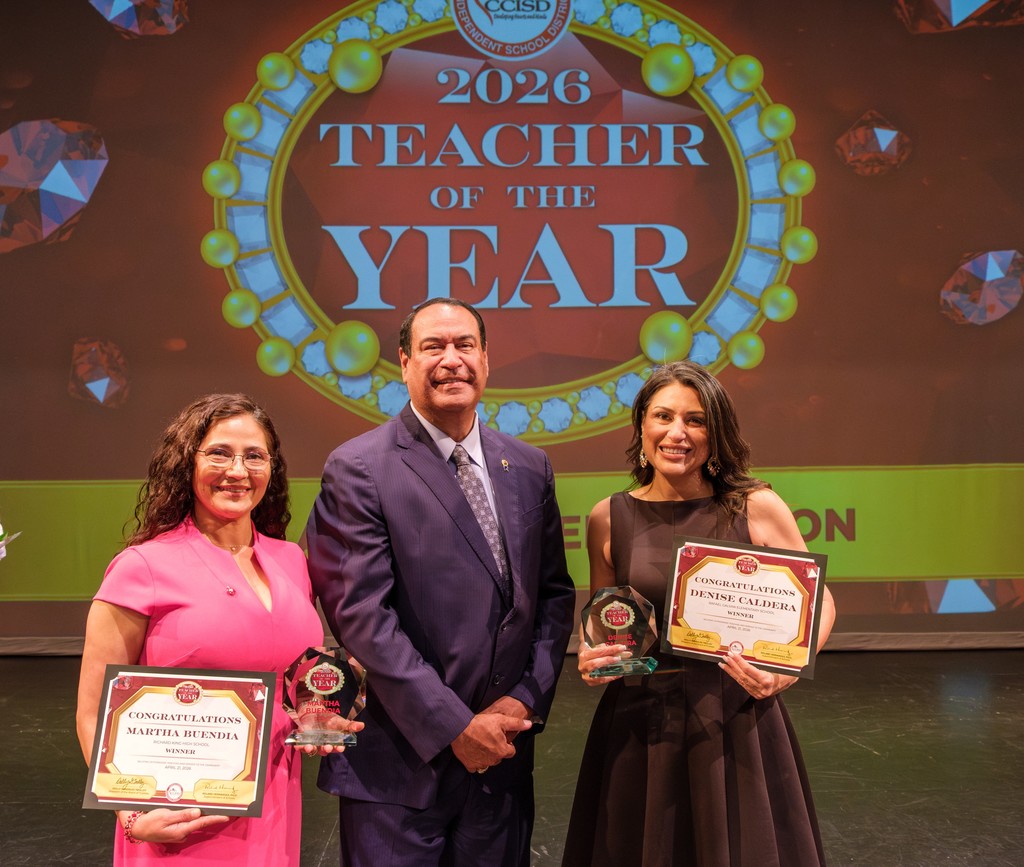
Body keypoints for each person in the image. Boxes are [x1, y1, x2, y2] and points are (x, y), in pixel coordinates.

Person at [306, 298, 576, 867]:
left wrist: (522, 700)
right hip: (398, 771)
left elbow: (552, 597)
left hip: (501, 761)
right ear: (404, 363)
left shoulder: (529, 466)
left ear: (486, 359)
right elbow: (362, 617)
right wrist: (455, 726)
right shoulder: (358, 467)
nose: (451, 360)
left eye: (464, 346)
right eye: (433, 347)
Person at [562, 361, 836, 867]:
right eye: (663, 416)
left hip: (734, 713)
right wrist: (592, 656)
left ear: (717, 432)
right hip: (640, 721)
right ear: (641, 425)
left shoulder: (755, 506)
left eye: (695, 420)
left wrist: (784, 669)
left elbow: (819, 603)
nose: (677, 433)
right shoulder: (608, 517)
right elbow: (608, 620)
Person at [76, 393, 361, 865]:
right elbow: (93, 713)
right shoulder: (141, 566)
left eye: (254, 456)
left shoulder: (291, 561)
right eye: (219, 453)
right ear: (186, 463)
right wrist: (130, 814)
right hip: (176, 816)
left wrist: (316, 717)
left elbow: (289, 679)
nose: (238, 470)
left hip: (273, 803)